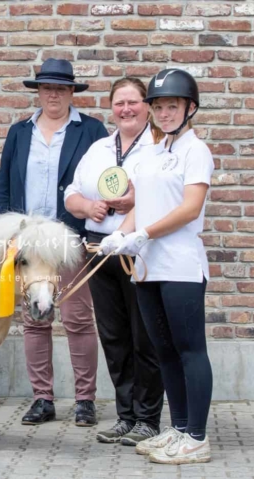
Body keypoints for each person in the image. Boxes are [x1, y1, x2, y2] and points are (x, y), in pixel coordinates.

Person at [100, 69, 214, 464]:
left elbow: (189, 208)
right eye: (159, 106)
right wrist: (121, 233)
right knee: (164, 352)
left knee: (189, 350)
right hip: (148, 267)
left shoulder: (195, 151)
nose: (164, 113)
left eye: (172, 106)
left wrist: (143, 233)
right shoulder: (152, 151)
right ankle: (178, 429)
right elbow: (141, 205)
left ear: (189, 108)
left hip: (180, 266)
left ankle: (197, 437)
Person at [0, 58, 108, 427]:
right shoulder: (19, 132)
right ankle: (42, 398)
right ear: (38, 92)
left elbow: (101, 180)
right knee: (35, 319)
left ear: (71, 92)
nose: (53, 95)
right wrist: (6, 236)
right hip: (29, 243)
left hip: (71, 240)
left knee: (78, 320)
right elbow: (5, 186)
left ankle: (85, 400)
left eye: (61, 88)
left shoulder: (91, 131)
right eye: (47, 88)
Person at [64, 77, 165, 446]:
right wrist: (89, 206)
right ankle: (125, 416)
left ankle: (148, 419)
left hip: (138, 253)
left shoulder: (158, 147)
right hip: (98, 251)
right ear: (112, 108)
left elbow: (168, 196)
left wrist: (133, 203)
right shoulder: (99, 149)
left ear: (147, 105)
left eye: (133, 102)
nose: (126, 109)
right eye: (119, 103)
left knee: (144, 337)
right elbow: (71, 194)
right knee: (113, 337)